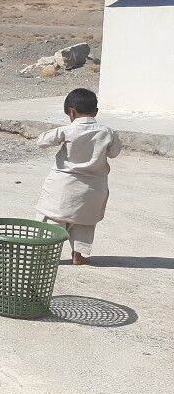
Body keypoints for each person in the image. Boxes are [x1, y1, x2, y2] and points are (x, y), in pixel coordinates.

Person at [35, 88, 122, 265]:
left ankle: (46, 255)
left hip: (63, 188)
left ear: (71, 111)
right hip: (93, 190)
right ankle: (79, 255)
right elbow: (114, 153)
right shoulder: (108, 132)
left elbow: (42, 141)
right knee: (84, 224)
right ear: (96, 112)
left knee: (52, 220)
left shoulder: (67, 130)